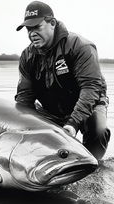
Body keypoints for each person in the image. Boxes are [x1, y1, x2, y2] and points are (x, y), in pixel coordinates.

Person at [15, 1, 110, 160]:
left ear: (52, 23)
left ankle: (91, 166)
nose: (32, 33)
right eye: (28, 29)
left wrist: (72, 123)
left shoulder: (80, 46)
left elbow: (91, 88)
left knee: (98, 130)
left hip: (89, 104)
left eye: (37, 27)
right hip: (51, 110)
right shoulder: (27, 56)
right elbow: (25, 98)